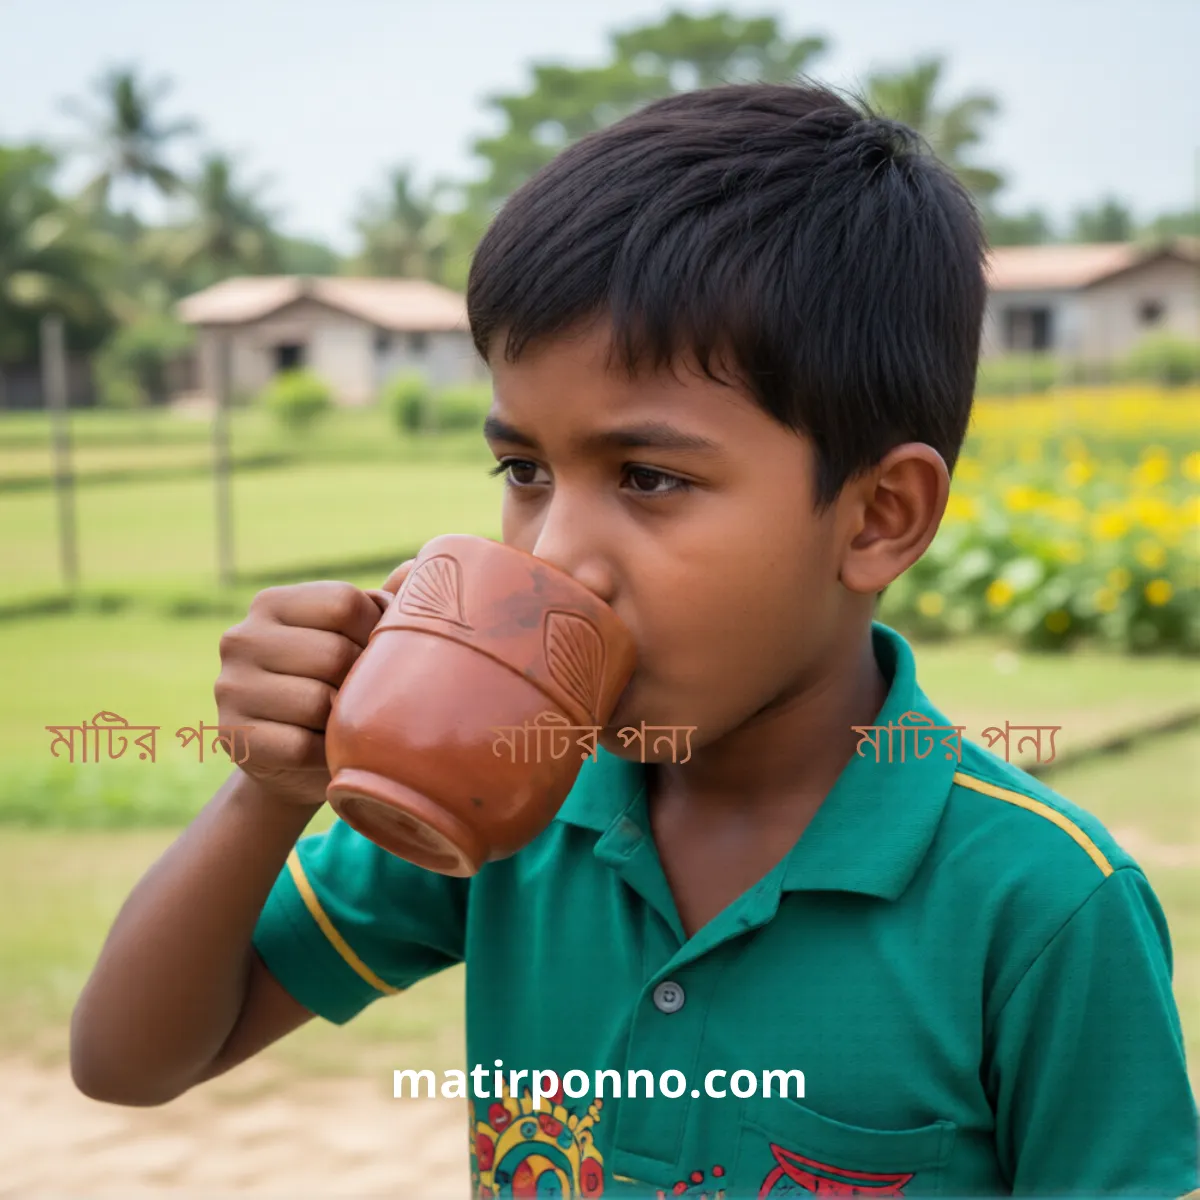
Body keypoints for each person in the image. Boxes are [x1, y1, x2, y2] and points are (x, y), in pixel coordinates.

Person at [70, 81, 1199, 1197]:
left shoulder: (1043, 903)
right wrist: (274, 789)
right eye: (524, 471)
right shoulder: (510, 796)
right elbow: (132, 1059)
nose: (555, 554)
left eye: (650, 478)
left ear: (877, 517)